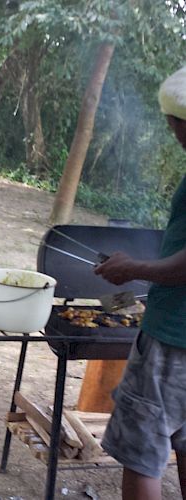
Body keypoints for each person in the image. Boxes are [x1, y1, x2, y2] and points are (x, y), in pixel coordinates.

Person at [94, 65, 186, 500]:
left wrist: (134, 269)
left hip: (174, 337)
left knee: (142, 452)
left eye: (175, 128)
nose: (175, 136)